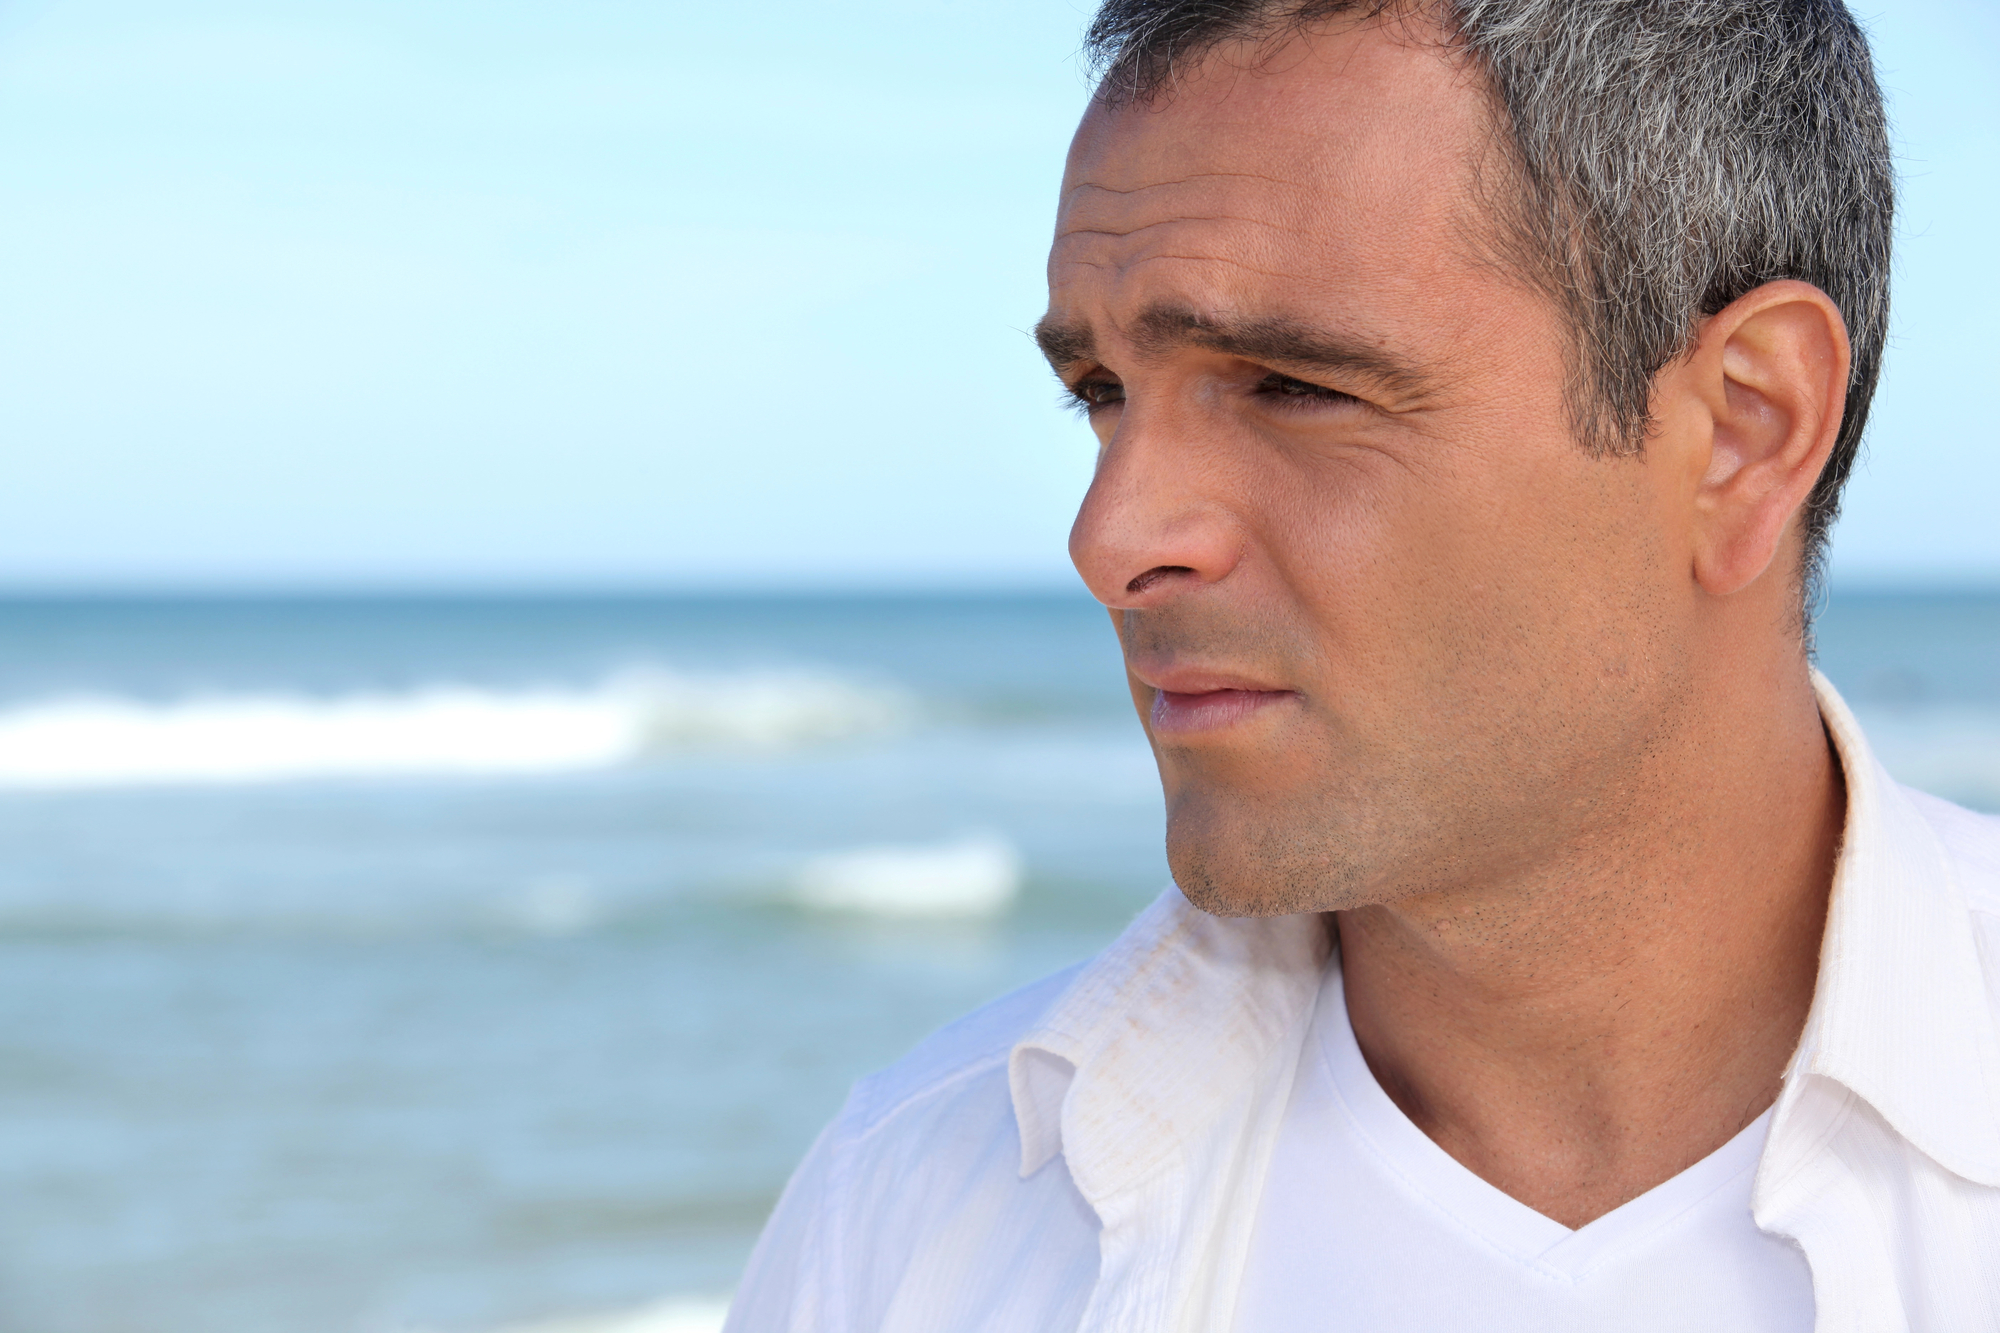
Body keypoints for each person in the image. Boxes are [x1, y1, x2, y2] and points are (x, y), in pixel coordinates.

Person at [725, 1, 2000, 1328]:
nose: (1111, 537)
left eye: (1289, 386)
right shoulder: (915, 1220)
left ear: (1744, 430)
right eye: (1103, 391)